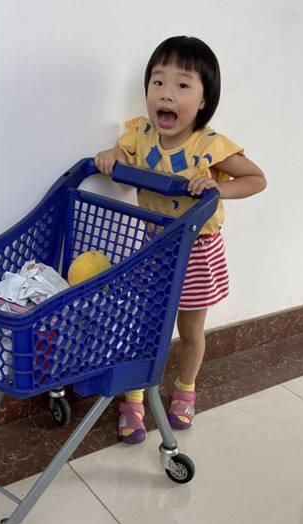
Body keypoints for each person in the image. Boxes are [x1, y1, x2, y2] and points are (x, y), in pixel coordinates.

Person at [95, 36, 267, 443]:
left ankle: (186, 389)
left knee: (190, 331)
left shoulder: (210, 146)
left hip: (198, 251)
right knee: (146, 327)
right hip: (154, 248)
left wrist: (215, 188)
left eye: (182, 85)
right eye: (158, 82)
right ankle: (134, 397)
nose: (166, 93)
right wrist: (113, 157)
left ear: (205, 100)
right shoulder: (139, 136)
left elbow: (256, 179)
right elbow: (121, 152)